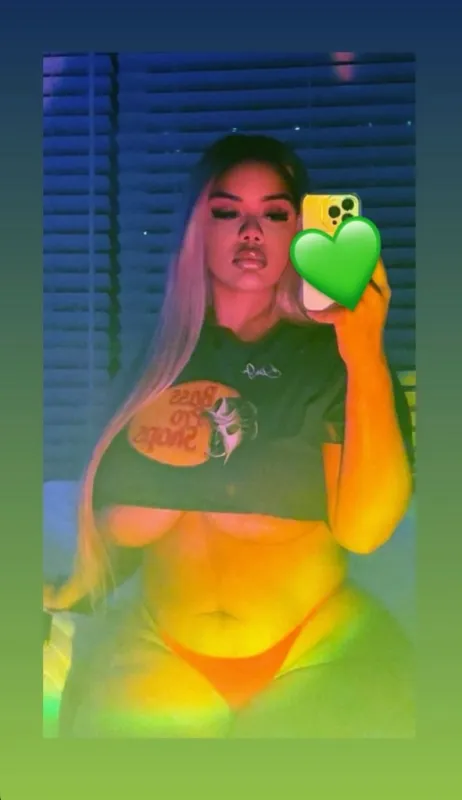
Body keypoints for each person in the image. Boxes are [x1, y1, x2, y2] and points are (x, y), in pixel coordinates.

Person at [43, 134, 414, 738]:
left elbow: (366, 530)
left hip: (318, 645)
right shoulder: (155, 362)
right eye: (227, 212)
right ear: (198, 228)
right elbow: (111, 517)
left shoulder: (330, 359)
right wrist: (76, 585)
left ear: (300, 231)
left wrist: (363, 351)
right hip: (159, 649)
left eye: (274, 214)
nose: (251, 232)